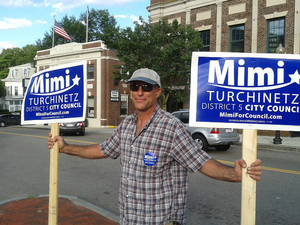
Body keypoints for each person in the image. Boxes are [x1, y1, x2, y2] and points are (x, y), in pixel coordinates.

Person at [47, 68, 262, 225]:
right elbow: (103, 149)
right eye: (135, 87)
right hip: (129, 218)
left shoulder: (171, 127)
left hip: (159, 220)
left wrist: (233, 175)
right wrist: (66, 148)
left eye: (146, 87)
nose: (140, 92)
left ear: (157, 92)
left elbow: (202, 162)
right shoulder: (126, 125)